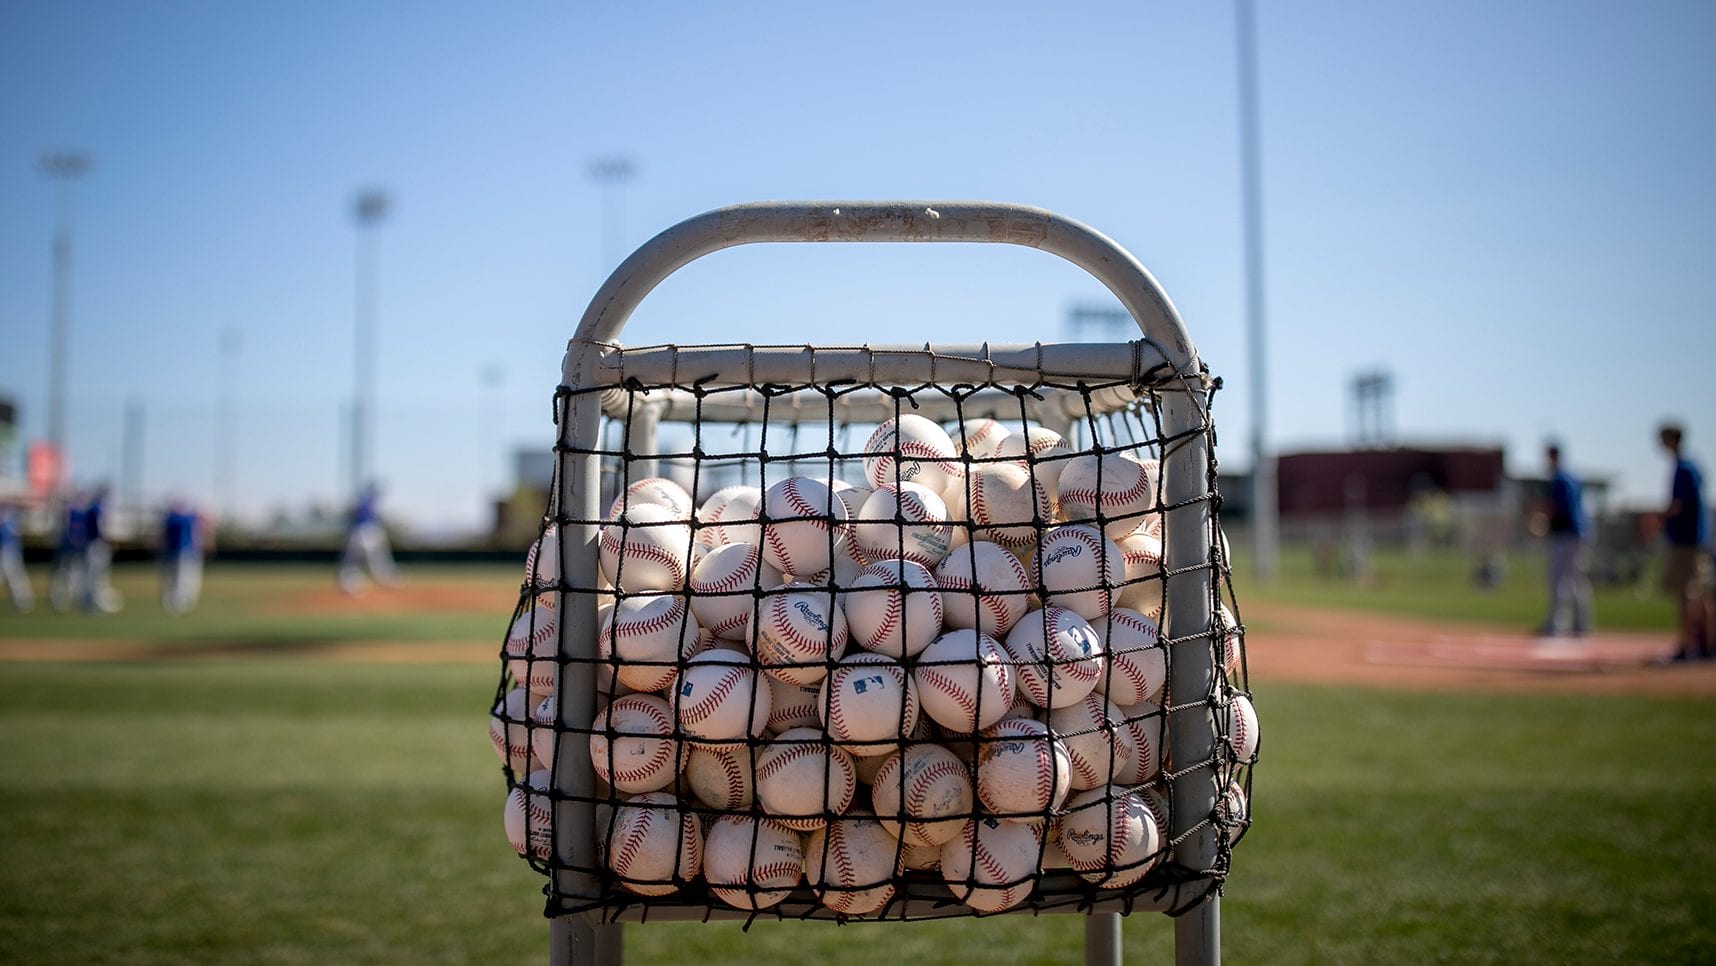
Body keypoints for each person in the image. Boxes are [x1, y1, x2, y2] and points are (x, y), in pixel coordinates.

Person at [1658, 423, 1713, 662]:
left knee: (1687, 593)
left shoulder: (1684, 468)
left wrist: (1660, 519)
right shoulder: (1691, 466)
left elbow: (1679, 504)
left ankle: (1687, 646)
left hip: (1687, 540)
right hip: (1695, 539)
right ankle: (1707, 645)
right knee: (1699, 593)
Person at [1537, 443, 1592, 637]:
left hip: (1566, 534)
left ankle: (1557, 625)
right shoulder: (1572, 478)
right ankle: (1581, 624)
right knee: (1576, 580)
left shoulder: (1561, 479)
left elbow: (1557, 508)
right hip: (1579, 533)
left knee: (1560, 580)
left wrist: (1541, 518)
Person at [338, 481, 399, 596]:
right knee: (373, 559)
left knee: (355, 561)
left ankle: (350, 583)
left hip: (362, 532)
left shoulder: (363, 501)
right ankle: (385, 580)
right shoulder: (367, 502)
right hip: (367, 532)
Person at [159, 498, 205, 615]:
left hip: (184, 552)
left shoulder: (182, 517)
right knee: (175, 579)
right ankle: (175, 603)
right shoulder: (176, 518)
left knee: (180, 578)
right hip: (176, 552)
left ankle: (178, 602)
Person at [0, 500, 34, 612]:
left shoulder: (9, 520)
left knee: (15, 577)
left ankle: (24, 602)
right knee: (14, 577)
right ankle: (23, 602)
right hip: (8, 551)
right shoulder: (8, 520)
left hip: (9, 552)